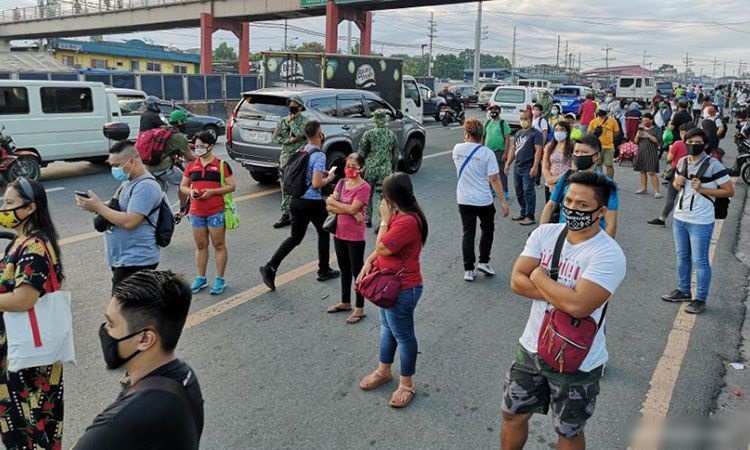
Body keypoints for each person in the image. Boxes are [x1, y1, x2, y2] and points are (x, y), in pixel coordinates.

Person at [502, 171, 626, 450]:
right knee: (512, 415)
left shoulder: (609, 254)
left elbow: (579, 306)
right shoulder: (545, 233)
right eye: (568, 201)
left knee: (568, 431)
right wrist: (566, 294)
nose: (572, 208)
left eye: (582, 205)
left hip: (577, 362)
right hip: (531, 349)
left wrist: (539, 276)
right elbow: (515, 282)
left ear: (601, 211)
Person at [74, 270, 204, 450]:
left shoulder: (118, 423)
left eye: (111, 324)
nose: (105, 330)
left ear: (145, 339)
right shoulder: (184, 376)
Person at [0, 178, 64, 449]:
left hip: (28, 356)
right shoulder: (21, 241)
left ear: (30, 208)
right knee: (21, 421)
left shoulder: (34, 247)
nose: (3, 208)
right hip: (18, 346)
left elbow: (24, 299)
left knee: (29, 421)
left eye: (10, 203)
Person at [357, 172, 428, 409]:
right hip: (388, 285)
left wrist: (384, 220)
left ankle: (407, 383)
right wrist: (369, 261)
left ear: (392, 197)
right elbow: (379, 251)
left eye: (384, 196)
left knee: (404, 335)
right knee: (387, 329)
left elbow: (383, 246)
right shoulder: (399, 214)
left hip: (403, 288)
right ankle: (384, 370)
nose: (382, 201)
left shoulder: (406, 220)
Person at [660, 128, 734, 314]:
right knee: (682, 257)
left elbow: (728, 191)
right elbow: (677, 184)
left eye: (697, 142)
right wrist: (677, 183)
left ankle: (700, 298)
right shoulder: (683, 161)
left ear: (705, 144)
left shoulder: (713, 165)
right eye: (690, 142)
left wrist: (704, 189)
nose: (693, 145)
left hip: (701, 220)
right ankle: (683, 290)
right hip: (680, 217)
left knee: (700, 261)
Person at [260, 121, 340, 291]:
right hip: (313, 202)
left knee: (295, 238)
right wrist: (330, 177)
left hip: (296, 200)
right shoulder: (319, 155)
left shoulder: (301, 150)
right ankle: (323, 270)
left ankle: (270, 266)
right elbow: (317, 183)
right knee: (324, 232)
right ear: (320, 135)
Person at [76, 140, 162, 291]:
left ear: (132, 161)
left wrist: (98, 207)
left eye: (116, 165)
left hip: (136, 261)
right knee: (128, 311)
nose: (114, 169)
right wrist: (96, 205)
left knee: (123, 312)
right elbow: (118, 206)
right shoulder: (129, 181)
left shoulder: (145, 186)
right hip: (124, 260)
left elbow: (131, 221)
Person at [452, 119, 510, 282]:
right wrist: (503, 201)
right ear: (481, 136)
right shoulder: (487, 153)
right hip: (484, 200)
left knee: (468, 233)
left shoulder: (457, 149)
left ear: (467, 134)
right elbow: (494, 179)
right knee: (487, 230)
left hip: (464, 199)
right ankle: (484, 261)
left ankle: (468, 269)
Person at [180, 132, 236, 295]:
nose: (198, 149)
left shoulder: (221, 165)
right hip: (196, 212)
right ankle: (201, 278)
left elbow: (231, 186)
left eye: (201, 146)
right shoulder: (191, 166)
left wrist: (212, 192)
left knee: (219, 245)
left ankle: (220, 279)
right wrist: (191, 191)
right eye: (196, 146)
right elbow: (183, 186)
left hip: (216, 211)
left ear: (210, 146)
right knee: (200, 245)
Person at [539, 135, 619, 238]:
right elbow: (550, 206)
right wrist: (541, 234)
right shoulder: (567, 177)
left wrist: (606, 247)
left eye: (584, 152)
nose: (579, 155)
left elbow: (611, 224)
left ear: (596, 156)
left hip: (592, 240)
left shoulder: (606, 185)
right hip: (564, 238)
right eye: (576, 152)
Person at [325, 153, 371, 324]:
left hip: (355, 236)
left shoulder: (364, 187)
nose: (350, 169)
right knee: (344, 269)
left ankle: (359, 308)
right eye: (348, 165)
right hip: (339, 232)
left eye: (354, 166)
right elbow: (329, 204)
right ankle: (345, 302)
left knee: (357, 271)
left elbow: (352, 209)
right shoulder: (342, 182)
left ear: (362, 168)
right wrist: (350, 210)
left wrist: (345, 208)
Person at [147, 109, 197, 223]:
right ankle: (183, 209)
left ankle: (155, 215)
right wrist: (204, 159)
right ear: (180, 122)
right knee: (184, 184)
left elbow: (168, 146)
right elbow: (189, 157)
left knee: (160, 192)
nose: (186, 123)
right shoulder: (179, 136)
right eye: (184, 121)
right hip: (163, 167)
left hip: (149, 167)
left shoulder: (164, 130)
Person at [647, 122, 694, 226]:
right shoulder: (696, 146)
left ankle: (662, 218)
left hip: (676, 172)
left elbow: (669, 158)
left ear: (684, 133)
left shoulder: (678, 144)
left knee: (671, 197)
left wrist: (670, 150)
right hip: (692, 173)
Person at [272, 96, 309, 229]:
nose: (292, 107)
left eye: (295, 105)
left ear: (300, 107)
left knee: (301, 185)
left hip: (300, 156)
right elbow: (275, 138)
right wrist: (288, 141)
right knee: (285, 185)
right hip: (286, 156)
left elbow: (300, 133)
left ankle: (301, 215)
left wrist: (292, 122)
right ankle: (286, 214)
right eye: (290, 105)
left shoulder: (305, 121)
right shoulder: (283, 121)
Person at [359, 109, 398, 228]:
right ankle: (382, 221)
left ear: (375, 121)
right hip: (385, 169)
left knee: (367, 194)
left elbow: (362, 152)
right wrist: (393, 168)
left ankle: (367, 219)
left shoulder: (368, 134)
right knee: (383, 196)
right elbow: (395, 154)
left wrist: (361, 167)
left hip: (370, 168)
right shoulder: (391, 135)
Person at [505, 111, 543, 226]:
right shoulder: (518, 133)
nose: (523, 121)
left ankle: (530, 215)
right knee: (519, 190)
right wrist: (508, 164)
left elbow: (538, 150)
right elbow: (513, 149)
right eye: (521, 118)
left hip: (528, 166)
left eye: (525, 118)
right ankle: (523, 211)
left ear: (531, 120)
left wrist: (535, 166)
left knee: (528, 191)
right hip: (518, 165)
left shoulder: (536, 134)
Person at [541, 121, 574, 210]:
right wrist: (550, 181)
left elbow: (573, 168)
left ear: (567, 132)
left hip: (566, 183)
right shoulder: (549, 146)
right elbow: (545, 166)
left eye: (561, 130)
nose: (558, 132)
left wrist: (557, 180)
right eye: (556, 130)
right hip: (550, 184)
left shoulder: (572, 146)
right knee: (551, 212)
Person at [483, 104, 512, 200]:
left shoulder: (502, 123)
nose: (493, 112)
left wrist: (505, 152)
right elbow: (483, 137)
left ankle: (505, 191)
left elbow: (507, 139)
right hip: (488, 152)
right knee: (489, 172)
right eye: (491, 110)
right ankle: (491, 189)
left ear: (499, 112)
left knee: (501, 172)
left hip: (499, 151)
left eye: (495, 110)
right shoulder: (487, 123)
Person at [633, 113, 662, 197]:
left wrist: (648, 135)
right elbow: (635, 142)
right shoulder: (640, 129)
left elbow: (658, 142)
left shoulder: (657, 129)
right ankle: (643, 188)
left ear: (651, 120)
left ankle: (657, 191)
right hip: (641, 152)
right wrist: (637, 136)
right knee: (642, 171)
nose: (644, 122)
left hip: (652, 152)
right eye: (643, 120)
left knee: (652, 172)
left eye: (646, 120)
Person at [587, 107, 619, 178]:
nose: (600, 115)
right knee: (598, 164)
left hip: (609, 147)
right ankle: (600, 180)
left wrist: (609, 137)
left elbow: (616, 132)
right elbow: (589, 133)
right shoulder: (594, 121)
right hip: (597, 147)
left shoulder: (612, 121)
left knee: (609, 165)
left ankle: (610, 181)